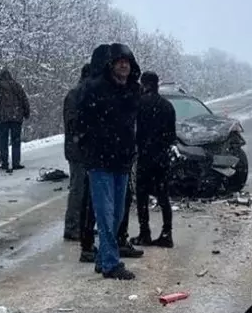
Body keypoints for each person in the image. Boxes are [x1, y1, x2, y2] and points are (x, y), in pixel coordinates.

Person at [74, 43, 143, 280]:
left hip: (122, 160)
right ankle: (112, 263)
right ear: (111, 65)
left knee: (117, 214)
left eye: (127, 61)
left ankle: (103, 257)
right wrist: (86, 144)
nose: (123, 65)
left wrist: (134, 147)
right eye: (119, 61)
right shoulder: (95, 89)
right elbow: (79, 120)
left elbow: (134, 124)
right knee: (105, 212)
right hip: (100, 159)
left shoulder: (133, 90)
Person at [132, 71, 176, 247]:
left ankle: (145, 233)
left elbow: (135, 131)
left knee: (142, 195)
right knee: (163, 196)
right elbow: (172, 135)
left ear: (144, 84)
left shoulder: (139, 104)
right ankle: (167, 234)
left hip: (145, 156)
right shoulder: (167, 106)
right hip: (162, 157)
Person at [63, 64, 92, 242]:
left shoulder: (80, 94)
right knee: (78, 190)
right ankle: (72, 227)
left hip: (82, 150)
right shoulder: (77, 95)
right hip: (78, 151)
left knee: (85, 191)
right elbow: (74, 124)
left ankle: (81, 226)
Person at [0, 67, 30, 172]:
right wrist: (26, 113)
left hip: (3, 118)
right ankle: (16, 163)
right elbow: (24, 99)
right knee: (16, 141)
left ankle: (5, 163)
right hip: (16, 118)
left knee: (3, 141)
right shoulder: (17, 86)